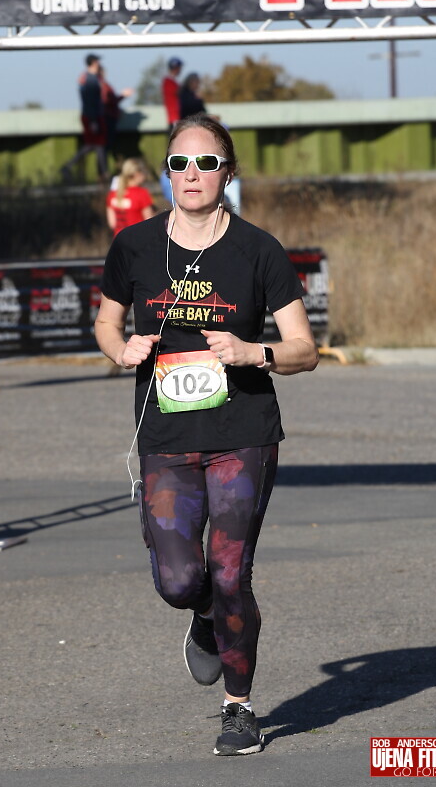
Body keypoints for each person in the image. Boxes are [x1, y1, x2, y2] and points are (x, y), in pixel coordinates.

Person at [94, 115, 318, 757]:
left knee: (229, 569)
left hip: (243, 431)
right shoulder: (134, 246)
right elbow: (106, 324)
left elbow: (305, 349)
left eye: (206, 163)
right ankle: (204, 616)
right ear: (167, 173)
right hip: (165, 434)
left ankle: (239, 709)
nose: (191, 175)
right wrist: (120, 350)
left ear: (228, 172)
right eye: (179, 164)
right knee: (178, 579)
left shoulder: (258, 250)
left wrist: (255, 353)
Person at [61, 53, 108, 182]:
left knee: (96, 145)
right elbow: (90, 101)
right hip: (92, 116)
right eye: (97, 61)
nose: (99, 64)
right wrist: (93, 120)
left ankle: (103, 174)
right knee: (96, 144)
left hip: (91, 116)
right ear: (93, 63)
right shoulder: (90, 79)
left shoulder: (87, 78)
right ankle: (103, 174)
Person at [105, 158, 155, 236]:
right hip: (137, 239)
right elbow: (149, 222)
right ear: (137, 174)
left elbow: (112, 224)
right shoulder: (142, 193)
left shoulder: (112, 195)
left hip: (119, 240)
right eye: (143, 172)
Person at [98, 65, 133, 156]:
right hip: (108, 118)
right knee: (106, 145)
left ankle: (103, 164)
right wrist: (123, 95)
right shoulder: (103, 86)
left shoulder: (101, 85)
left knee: (104, 145)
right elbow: (108, 101)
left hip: (107, 117)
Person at [162, 56, 183, 131]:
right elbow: (179, 92)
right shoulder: (168, 81)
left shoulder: (172, 81)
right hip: (174, 117)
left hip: (176, 117)